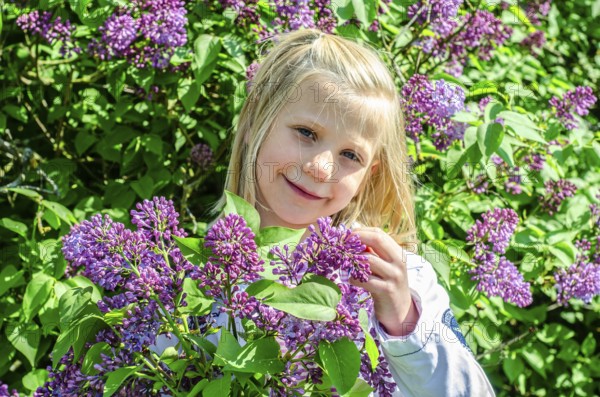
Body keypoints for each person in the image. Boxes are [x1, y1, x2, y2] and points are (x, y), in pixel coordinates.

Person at [211, 28, 496, 396]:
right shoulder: (199, 274)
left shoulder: (397, 280)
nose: (321, 168)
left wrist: (403, 319)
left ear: (369, 174)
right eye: (306, 133)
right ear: (253, 123)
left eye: (350, 155)